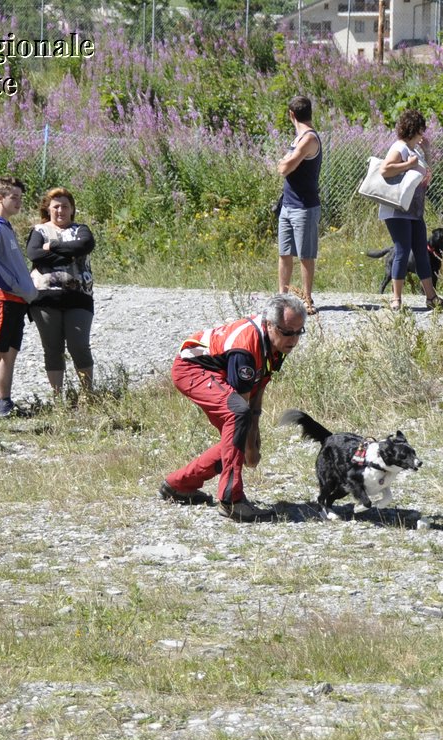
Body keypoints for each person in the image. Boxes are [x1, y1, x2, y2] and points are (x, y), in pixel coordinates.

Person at [159, 293, 308, 522]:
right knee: (238, 417)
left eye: (299, 332)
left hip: (213, 369)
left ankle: (179, 484)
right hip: (191, 368)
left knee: (235, 437)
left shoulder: (276, 340)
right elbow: (242, 403)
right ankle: (231, 500)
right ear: (269, 324)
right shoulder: (246, 347)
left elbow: (259, 386)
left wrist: (254, 434)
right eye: (288, 332)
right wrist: (250, 446)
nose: (294, 339)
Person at [0, 177, 39, 418]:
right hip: (0, 297)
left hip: (15, 299)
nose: (19, 202)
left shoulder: (5, 225)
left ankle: (4, 402)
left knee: (9, 352)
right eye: (14, 197)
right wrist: (12, 287)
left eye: (21, 198)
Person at [27, 187, 98, 399]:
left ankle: (87, 394)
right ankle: (57, 397)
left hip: (79, 298)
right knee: (52, 348)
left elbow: (85, 245)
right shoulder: (38, 231)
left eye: (65, 206)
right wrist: (67, 255)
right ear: (47, 209)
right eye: (56, 206)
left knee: (79, 345)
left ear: (72, 209)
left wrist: (54, 246)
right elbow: (34, 255)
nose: (60, 211)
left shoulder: (81, 230)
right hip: (45, 298)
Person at [378, 109, 443, 313]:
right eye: (421, 130)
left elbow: (427, 177)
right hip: (398, 210)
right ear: (414, 129)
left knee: (421, 252)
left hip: (415, 211)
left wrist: (426, 152)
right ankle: (396, 299)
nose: (423, 135)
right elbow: (385, 169)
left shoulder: (415, 150)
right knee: (402, 250)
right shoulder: (399, 147)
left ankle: (431, 298)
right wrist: (407, 165)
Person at [275, 95, 321, 315]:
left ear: (291, 115)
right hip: (288, 204)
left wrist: (285, 162)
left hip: (305, 207)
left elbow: (284, 168)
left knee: (305, 255)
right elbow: (285, 164)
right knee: (285, 253)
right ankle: (282, 298)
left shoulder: (309, 139)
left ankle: (307, 300)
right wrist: (286, 162)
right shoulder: (298, 139)